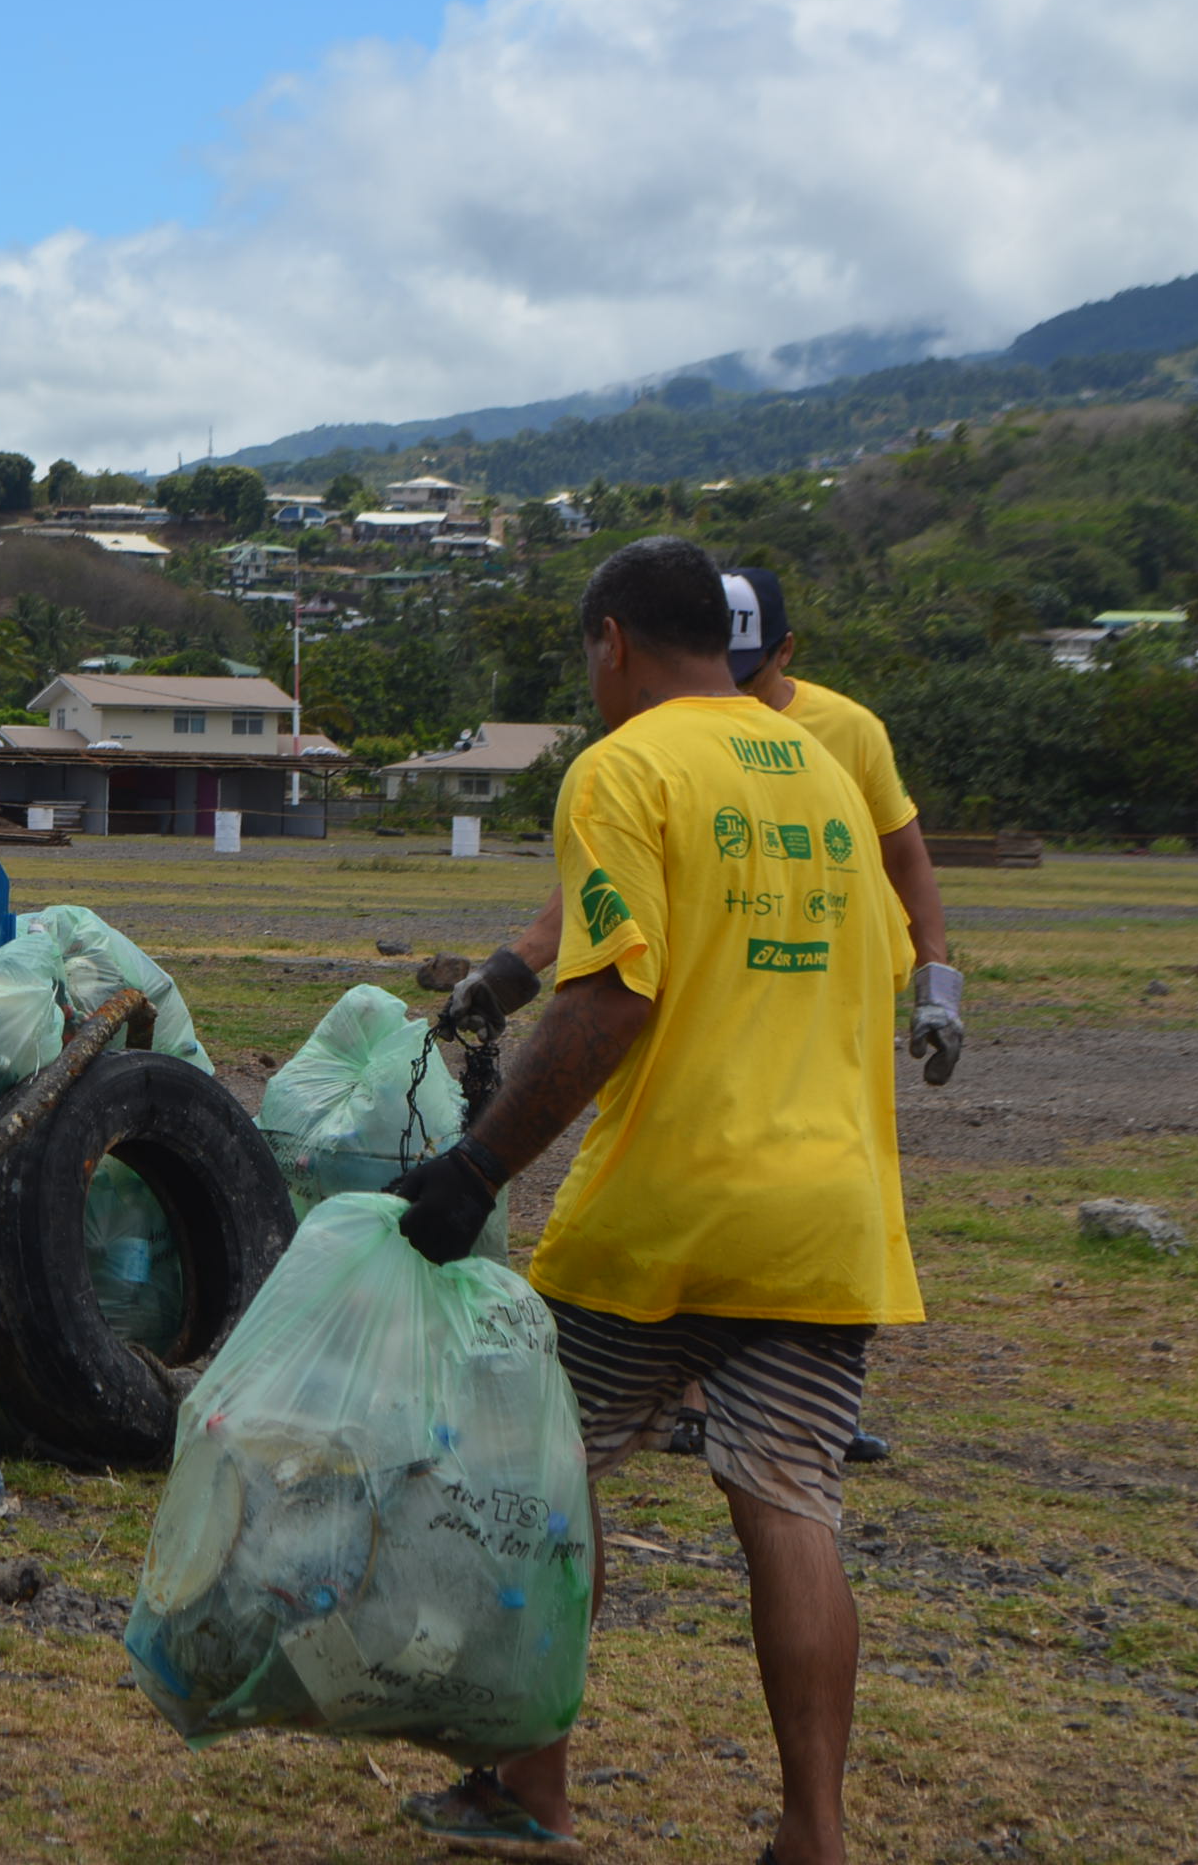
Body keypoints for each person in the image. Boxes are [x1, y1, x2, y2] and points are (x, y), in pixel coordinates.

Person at [391, 536, 924, 1864]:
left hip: (664, 1213)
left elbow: (614, 991)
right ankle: (815, 1835)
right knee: (794, 1508)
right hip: (829, 1214)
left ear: (614, 642)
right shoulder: (826, 768)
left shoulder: (624, 768)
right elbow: (886, 966)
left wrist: (476, 1170)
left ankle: (532, 1792)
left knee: (545, 1488)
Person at [444, 565, 963, 1086]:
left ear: (784, 652)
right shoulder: (664, 743)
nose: (723, 689)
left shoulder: (850, 733)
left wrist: (935, 987)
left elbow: (905, 858)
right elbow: (612, 878)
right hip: (719, 987)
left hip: (824, 983)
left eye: (745, 674)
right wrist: (510, 971)